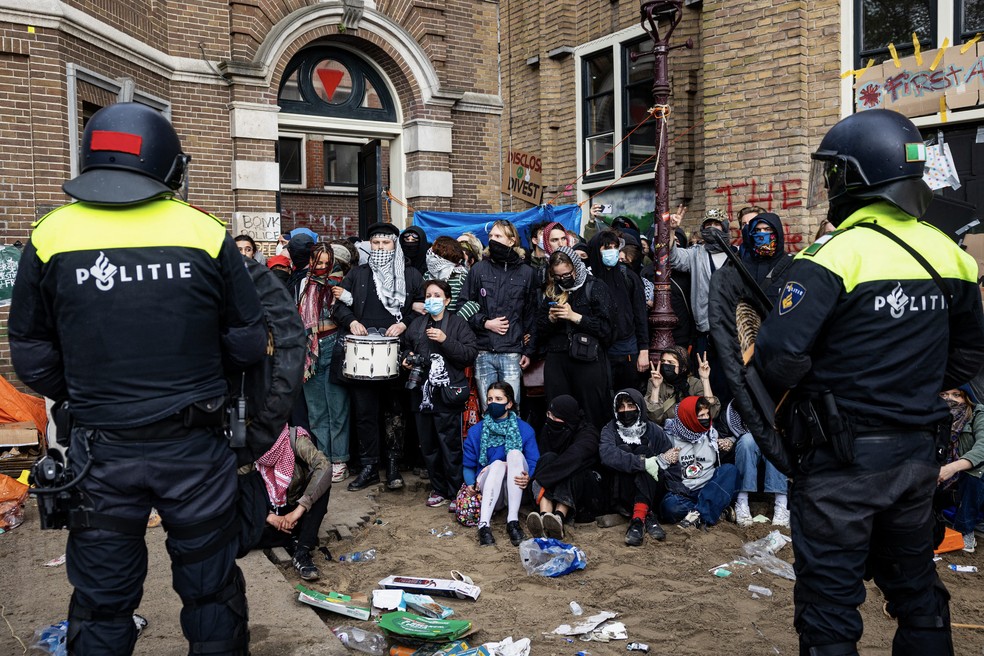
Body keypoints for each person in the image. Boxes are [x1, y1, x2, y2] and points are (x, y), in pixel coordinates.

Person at [8, 103, 266, 655]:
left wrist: (86, 391)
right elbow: (248, 340)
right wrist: (197, 381)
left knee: (101, 600)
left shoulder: (50, 234)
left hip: (99, 452)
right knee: (212, 592)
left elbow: (30, 353)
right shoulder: (204, 231)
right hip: (194, 449)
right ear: (167, 163)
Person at [754, 109, 984, 655]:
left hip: (841, 465)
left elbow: (778, 357)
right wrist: (912, 387)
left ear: (856, 176)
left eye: (833, 173)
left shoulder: (835, 254)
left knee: (829, 606)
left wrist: (827, 395)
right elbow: (971, 354)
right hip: (915, 458)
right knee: (916, 593)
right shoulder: (950, 253)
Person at [332, 222, 424, 491]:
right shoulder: (358, 274)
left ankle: (394, 465)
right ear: (369, 246)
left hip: (395, 351)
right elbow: (338, 306)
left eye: (385, 243)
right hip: (362, 355)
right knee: (364, 413)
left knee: (394, 411)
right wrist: (351, 322)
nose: (380, 248)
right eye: (375, 243)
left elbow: (421, 308)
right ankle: (369, 466)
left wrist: (404, 323)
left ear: (395, 244)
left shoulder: (410, 275)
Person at [403, 280, 478, 507]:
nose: (432, 299)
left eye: (437, 295)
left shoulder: (458, 325)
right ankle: (438, 488)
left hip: (447, 393)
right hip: (422, 392)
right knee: (428, 445)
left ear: (447, 300)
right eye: (428, 295)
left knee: (450, 445)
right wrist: (406, 358)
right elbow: (406, 346)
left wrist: (445, 341)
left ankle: (456, 491)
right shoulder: (416, 324)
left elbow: (469, 354)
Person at [536, 247, 613, 428]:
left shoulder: (595, 286)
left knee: (591, 412)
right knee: (558, 412)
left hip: (587, 360)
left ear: (576, 268)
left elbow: (606, 329)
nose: (563, 279)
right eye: (558, 276)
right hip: (557, 359)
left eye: (566, 274)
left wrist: (575, 317)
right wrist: (551, 319)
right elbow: (539, 328)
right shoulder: (552, 291)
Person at [465, 220, 538, 411]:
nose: (493, 240)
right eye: (490, 237)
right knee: (488, 410)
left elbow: (532, 314)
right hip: (483, 349)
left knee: (512, 409)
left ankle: (514, 442)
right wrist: (485, 322)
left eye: (498, 236)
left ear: (512, 240)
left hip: (512, 350)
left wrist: (528, 351)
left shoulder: (527, 273)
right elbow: (463, 304)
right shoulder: (478, 269)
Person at [462, 382, 539, 547]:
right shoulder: (477, 431)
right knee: (497, 464)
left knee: (514, 454)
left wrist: (529, 476)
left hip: (517, 488)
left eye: (498, 398)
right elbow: (468, 466)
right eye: (490, 399)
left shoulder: (524, 429)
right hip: (489, 490)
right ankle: (484, 525)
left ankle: (512, 521)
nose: (493, 403)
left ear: (509, 403)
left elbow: (533, 461)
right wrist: (470, 485)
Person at [299, 243, 351, 482]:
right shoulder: (303, 282)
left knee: (337, 406)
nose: (320, 267)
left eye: (324, 263)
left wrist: (346, 297)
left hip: (334, 344)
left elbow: (351, 312)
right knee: (316, 408)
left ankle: (340, 460)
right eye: (316, 262)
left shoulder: (340, 281)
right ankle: (323, 459)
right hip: (310, 348)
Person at [251, 425, 331, 581]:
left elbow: (324, 467)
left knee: (322, 483)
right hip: (265, 515)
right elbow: (240, 485)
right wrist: (269, 516)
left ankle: (302, 550)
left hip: (294, 511)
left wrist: (298, 511)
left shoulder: (294, 438)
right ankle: (293, 539)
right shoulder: (248, 441)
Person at [599, 388, 671, 546]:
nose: (626, 411)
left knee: (644, 451)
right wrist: (643, 463)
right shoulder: (610, 429)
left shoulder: (654, 431)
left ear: (639, 407)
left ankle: (638, 520)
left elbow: (670, 462)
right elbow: (607, 455)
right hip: (621, 490)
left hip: (654, 489)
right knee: (632, 453)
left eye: (630, 406)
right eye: (621, 407)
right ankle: (647, 515)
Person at [527, 395, 602, 539]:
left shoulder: (588, 433)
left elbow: (575, 457)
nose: (551, 420)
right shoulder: (548, 429)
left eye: (555, 417)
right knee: (547, 459)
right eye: (549, 415)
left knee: (571, 468)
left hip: (584, 491)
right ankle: (545, 516)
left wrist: (539, 478)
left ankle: (559, 517)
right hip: (552, 485)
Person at [659, 396, 737, 530]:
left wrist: (729, 441)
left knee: (730, 471)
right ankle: (712, 511)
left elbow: (731, 440)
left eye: (707, 414)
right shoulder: (668, 437)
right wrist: (665, 458)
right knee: (670, 507)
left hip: (710, 487)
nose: (706, 418)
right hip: (684, 492)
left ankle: (697, 514)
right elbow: (657, 466)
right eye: (701, 415)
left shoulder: (711, 433)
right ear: (689, 418)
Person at [587, 229, 649, 393]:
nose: (612, 252)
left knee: (627, 394)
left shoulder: (628, 277)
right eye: (607, 248)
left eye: (615, 247)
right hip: (597, 350)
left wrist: (643, 350)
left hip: (626, 348)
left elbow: (640, 316)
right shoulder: (587, 280)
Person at [725, 401, 788, 528]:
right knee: (747, 440)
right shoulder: (733, 409)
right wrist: (729, 439)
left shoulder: (774, 399)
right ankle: (741, 501)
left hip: (772, 436)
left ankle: (782, 504)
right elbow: (721, 433)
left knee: (774, 443)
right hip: (745, 442)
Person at [937, 387, 984, 553]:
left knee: (976, 472)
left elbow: (982, 447)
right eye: (944, 394)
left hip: (967, 475)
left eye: (956, 395)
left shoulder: (978, 413)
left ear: (966, 398)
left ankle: (966, 529)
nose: (950, 399)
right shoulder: (930, 416)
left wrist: (952, 467)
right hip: (941, 474)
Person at [645, 346, 718, 425]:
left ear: (683, 367)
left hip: (690, 429)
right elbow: (654, 419)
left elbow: (712, 414)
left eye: (670, 362)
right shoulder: (654, 381)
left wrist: (705, 379)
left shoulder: (695, 384)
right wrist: (656, 388)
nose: (665, 365)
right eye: (663, 361)